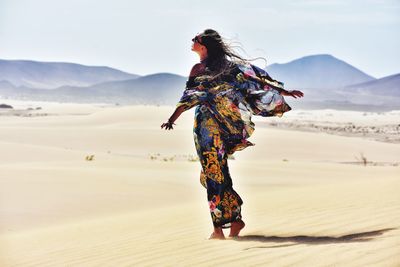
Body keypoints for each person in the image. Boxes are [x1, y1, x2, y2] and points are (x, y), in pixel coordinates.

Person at [161, 29, 304, 240]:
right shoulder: (218, 67)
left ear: (204, 45)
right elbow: (192, 95)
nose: (192, 40)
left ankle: (219, 229)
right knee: (217, 172)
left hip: (210, 126)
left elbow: (253, 79)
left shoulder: (209, 68)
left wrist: (282, 92)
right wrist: (172, 119)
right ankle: (234, 221)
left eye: (196, 39)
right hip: (213, 125)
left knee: (213, 173)